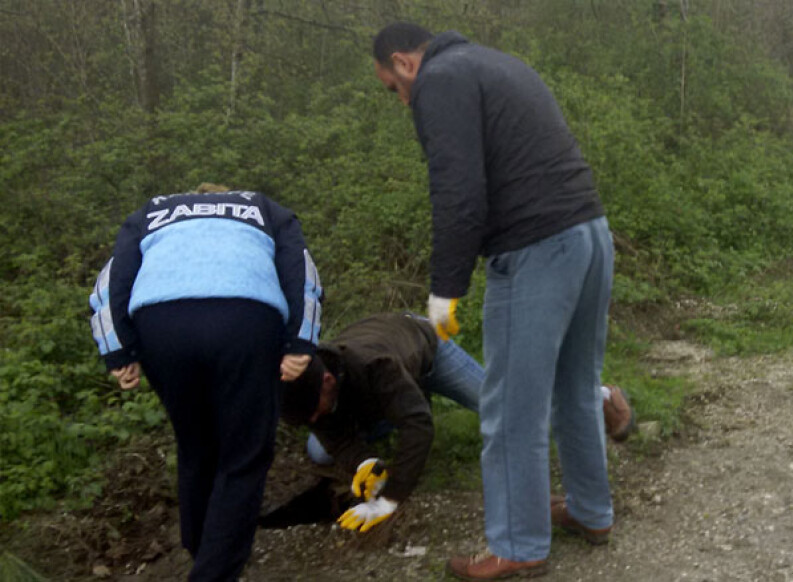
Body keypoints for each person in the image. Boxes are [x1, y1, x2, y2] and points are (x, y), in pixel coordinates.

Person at [371, 22, 617, 579]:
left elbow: (457, 189)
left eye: (393, 87)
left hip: (535, 249)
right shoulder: (499, 63)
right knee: (577, 384)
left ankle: (519, 545)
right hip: (590, 234)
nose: (401, 98)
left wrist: (445, 289)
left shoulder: (438, 81)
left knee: (511, 409)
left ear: (404, 63)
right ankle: (591, 511)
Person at [89, 184, 322, 582]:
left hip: (161, 323)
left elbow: (112, 279)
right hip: (246, 316)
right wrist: (301, 341)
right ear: (229, 195)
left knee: (195, 445)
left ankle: (202, 550)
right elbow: (301, 271)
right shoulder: (264, 208)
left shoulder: (154, 210)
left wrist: (118, 350)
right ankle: (212, 572)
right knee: (244, 456)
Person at [277, 313, 635, 534]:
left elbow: (419, 426)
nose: (313, 418)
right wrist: (365, 463)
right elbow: (335, 439)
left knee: (505, 410)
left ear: (327, 383)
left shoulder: (374, 366)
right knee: (319, 450)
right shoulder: (304, 384)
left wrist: (390, 498)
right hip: (393, 378)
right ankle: (409, 398)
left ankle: (598, 397)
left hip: (428, 348)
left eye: (314, 410)